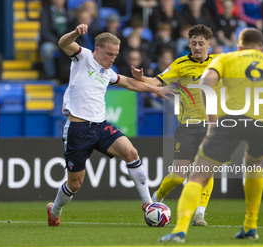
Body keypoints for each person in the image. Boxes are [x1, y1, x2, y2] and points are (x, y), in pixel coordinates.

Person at [159, 28, 263, 242]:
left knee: (200, 172)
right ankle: (250, 226)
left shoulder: (227, 59)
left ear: (239, 47)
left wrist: (213, 120)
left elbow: (207, 84)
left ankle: (180, 230)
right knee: (254, 167)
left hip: (232, 119)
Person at [46, 23, 175, 226]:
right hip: (77, 130)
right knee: (75, 184)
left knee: (131, 153)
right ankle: (54, 211)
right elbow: (63, 43)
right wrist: (75, 33)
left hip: (100, 126)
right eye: (109, 54)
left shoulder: (108, 72)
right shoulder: (84, 57)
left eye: (116, 55)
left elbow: (128, 82)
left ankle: (148, 204)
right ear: (97, 50)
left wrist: (154, 89)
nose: (113, 58)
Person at [131, 24, 219, 227]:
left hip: (211, 125)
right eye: (194, 43)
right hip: (187, 126)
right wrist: (141, 78)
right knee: (179, 176)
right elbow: (157, 81)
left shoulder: (219, 63)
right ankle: (157, 198)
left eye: (201, 43)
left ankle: (200, 214)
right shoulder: (180, 64)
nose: (197, 47)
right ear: (189, 44)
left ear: (209, 44)